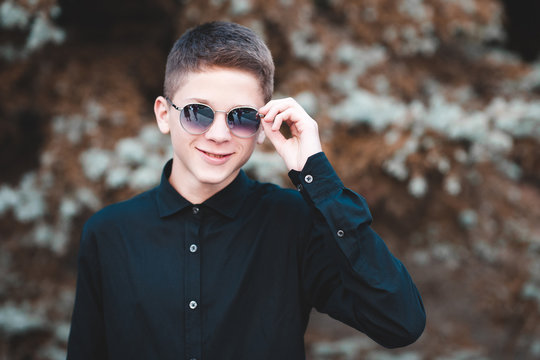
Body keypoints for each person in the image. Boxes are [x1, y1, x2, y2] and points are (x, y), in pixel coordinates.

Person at [67, 21, 425, 360]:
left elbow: (400, 323)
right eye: (198, 113)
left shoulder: (294, 222)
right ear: (164, 115)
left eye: (241, 117)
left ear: (261, 128)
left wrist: (318, 177)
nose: (219, 135)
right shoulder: (108, 233)